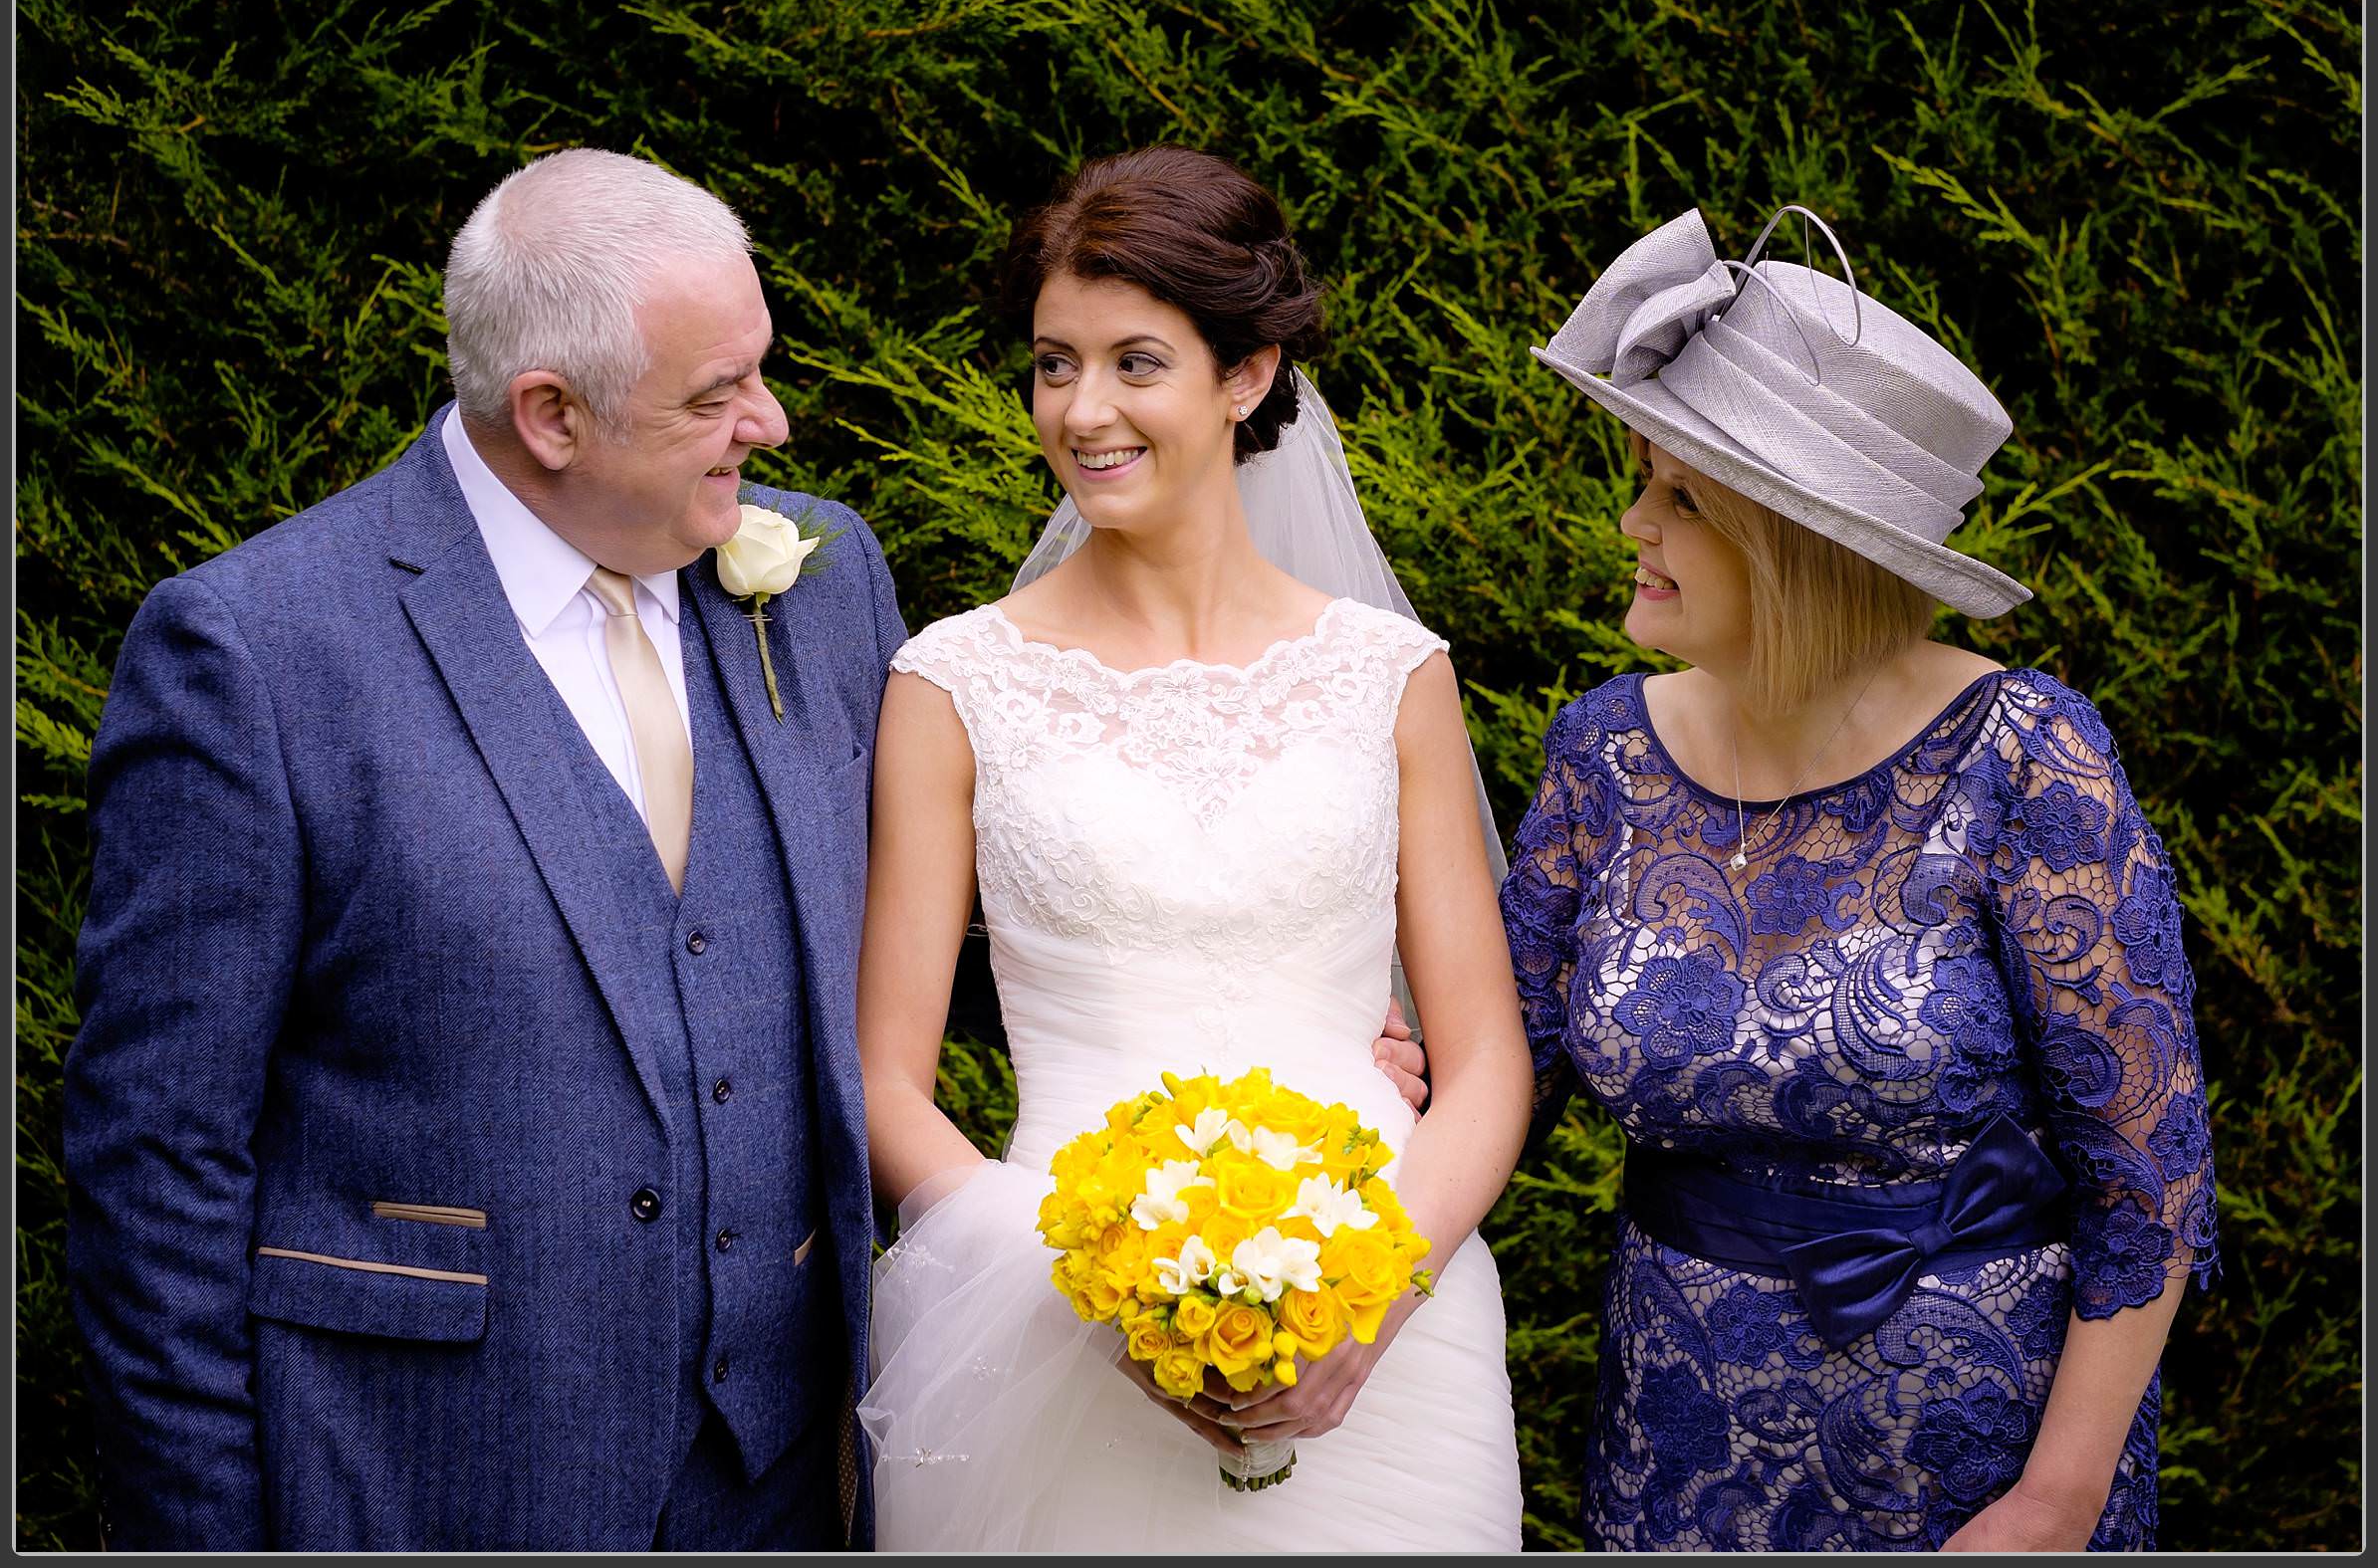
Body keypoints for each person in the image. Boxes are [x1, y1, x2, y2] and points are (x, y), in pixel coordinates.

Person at [63, 147, 898, 1550]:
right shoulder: (257, 652)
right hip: (428, 1480)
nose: (775, 423)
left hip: (787, 1483)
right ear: (551, 414)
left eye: (758, 368)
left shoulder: (823, 583)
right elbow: (158, 1156)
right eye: (714, 397)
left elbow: (951, 925)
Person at [1501, 207, 2219, 1550]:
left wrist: (2056, 1504)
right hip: (1677, 1444)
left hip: (1981, 1472)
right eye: (1644, 481)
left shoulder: (2025, 754)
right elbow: (1493, 1068)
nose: (1628, 524)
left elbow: (2148, 1175)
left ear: (1795, 542)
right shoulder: (1602, 754)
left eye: (1681, 498)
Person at [852, 145, 1533, 1551]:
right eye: (1053, 364)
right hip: (1048, 1324)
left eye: (1134, 362)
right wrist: (1085, 1296)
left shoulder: (1390, 674)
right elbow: (883, 1084)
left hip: (1393, 1346)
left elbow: (1486, 1066)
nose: (1081, 411)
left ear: (1249, 374)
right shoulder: (952, 684)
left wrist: (1373, 1300)